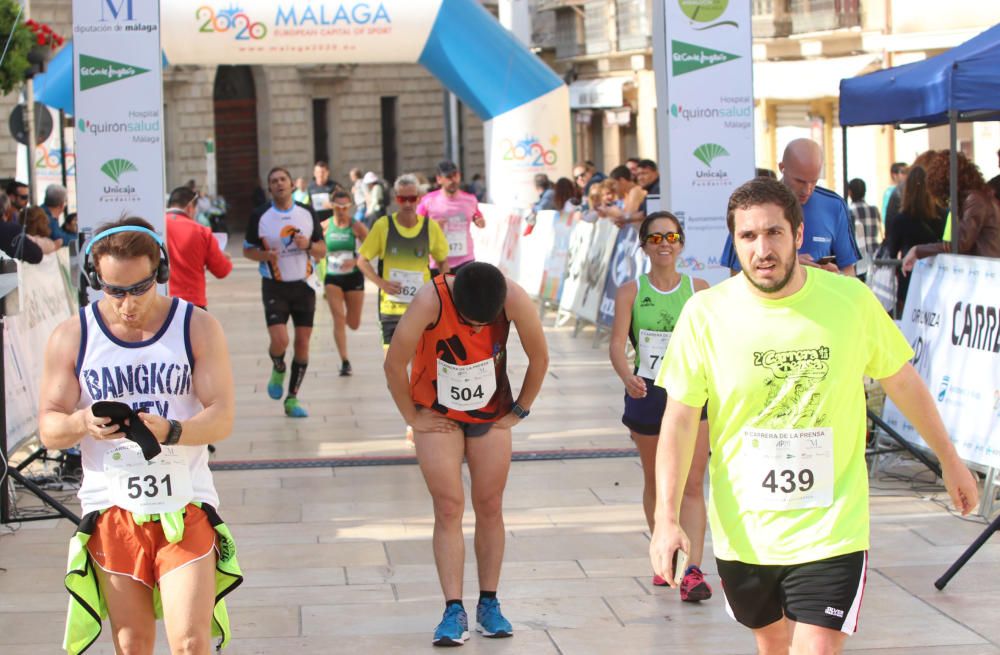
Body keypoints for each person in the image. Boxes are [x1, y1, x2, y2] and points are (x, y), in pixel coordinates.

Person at [649, 177, 978, 655]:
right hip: (747, 528)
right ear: (734, 242)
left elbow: (902, 381)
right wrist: (665, 518)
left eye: (774, 233)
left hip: (834, 524)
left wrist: (949, 459)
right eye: (748, 236)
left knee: (816, 648)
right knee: (773, 643)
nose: (762, 249)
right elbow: (679, 421)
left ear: (798, 235)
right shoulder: (706, 315)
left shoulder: (850, 301)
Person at [38, 217, 243, 655]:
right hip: (113, 509)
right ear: (95, 280)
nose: (127, 304)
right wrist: (82, 422)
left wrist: (175, 430)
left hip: (184, 505)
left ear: (160, 273)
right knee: (132, 645)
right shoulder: (73, 336)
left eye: (139, 288)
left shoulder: (196, 326)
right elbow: (49, 428)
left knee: (189, 642)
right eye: (113, 290)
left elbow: (222, 417)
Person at [384, 262, 549, 646]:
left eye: (483, 323)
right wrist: (412, 416)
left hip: (491, 412)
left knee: (490, 503)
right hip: (437, 413)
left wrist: (520, 410)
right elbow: (394, 363)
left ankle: (489, 602)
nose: (475, 330)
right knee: (448, 506)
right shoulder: (430, 299)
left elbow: (540, 356)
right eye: (469, 322)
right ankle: (452, 607)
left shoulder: (514, 296)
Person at [609, 212, 712, 600]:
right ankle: (664, 554)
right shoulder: (631, 291)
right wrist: (626, 376)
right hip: (648, 394)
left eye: (671, 236)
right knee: (658, 481)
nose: (664, 243)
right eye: (655, 238)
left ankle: (694, 571)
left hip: (691, 395)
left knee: (692, 483)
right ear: (644, 245)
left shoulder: (698, 289)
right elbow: (618, 344)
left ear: (681, 243)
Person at [243, 166, 326, 418]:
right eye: (274, 181)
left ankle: (292, 399)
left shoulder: (306, 213)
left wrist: (309, 245)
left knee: (302, 344)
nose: (279, 184)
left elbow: (322, 250)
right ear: (269, 188)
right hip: (274, 285)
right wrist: (263, 255)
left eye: (283, 179)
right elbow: (247, 250)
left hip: (304, 285)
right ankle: (278, 366)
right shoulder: (260, 215)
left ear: (292, 185)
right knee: (281, 340)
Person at [721, 138, 860, 276]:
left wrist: (835, 277)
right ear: (782, 168)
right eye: (799, 181)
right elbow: (736, 274)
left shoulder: (834, 206)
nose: (807, 190)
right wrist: (789, 265)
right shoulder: (752, 205)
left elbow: (848, 270)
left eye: (813, 181)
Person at [358, 173, 450, 351]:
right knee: (392, 369)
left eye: (411, 198)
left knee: (418, 369)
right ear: (396, 199)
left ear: (418, 199)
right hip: (390, 309)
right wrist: (382, 283)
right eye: (402, 199)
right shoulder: (383, 226)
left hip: (420, 309)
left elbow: (443, 263)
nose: (407, 204)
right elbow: (362, 261)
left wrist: (441, 292)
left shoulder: (430, 227)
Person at [902, 163, 1000, 271]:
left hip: (987, 272)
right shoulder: (977, 198)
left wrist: (918, 250)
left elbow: (961, 243)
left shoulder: (975, 199)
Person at [882, 166, 945, 311]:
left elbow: (892, 250)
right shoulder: (941, 215)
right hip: (936, 277)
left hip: (909, 276)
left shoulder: (901, 219)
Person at [321, 190, 369, 376]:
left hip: (354, 277)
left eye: (345, 207)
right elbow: (316, 246)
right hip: (332, 277)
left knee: (353, 323)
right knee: (338, 318)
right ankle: (344, 360)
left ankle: (345, 357)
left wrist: (357, 259)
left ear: (349, 207)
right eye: (338, 207)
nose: (341, 211)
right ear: (332, 206)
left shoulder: (356, 226)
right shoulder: (325, 226)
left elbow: (372, 246)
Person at [165, 186, 233, 310]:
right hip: (192, 304)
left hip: (161, 302)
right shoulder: (201, 231)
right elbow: (222, 270)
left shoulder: (155, 228)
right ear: (190, 207)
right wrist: (224, 258)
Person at [418, 161, 485, 276]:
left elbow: (478, 216)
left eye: (455, 176)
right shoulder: (428, 201)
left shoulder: (470, 199)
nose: (453, 180)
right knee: (441, 294)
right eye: (448, 177)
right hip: (438, 261)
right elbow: (414, 225)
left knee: (464, 294)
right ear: (439, 179)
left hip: (465, 259)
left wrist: (480, 221)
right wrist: (432, 225)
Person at [846, 178, 883, 282]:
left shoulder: (849, 211)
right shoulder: (874, 210)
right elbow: (880, 231)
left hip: (859, 260)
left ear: (850, 192)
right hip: (875, 255)